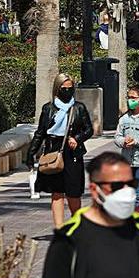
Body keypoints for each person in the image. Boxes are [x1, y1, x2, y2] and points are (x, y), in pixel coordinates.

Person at [27, 73, 94, 229]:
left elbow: (89, 129)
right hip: (53, 151)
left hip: (72, 153)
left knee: (73, 192)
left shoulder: (79, 108)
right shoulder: (48, 108)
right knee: (56, 192)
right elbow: (41, 132)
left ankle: (77, 225)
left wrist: (77, 138)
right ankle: (59, 228)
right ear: (57, 89)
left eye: (70, 89)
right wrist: (31, 152)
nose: (67, 91)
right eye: (64, 89)